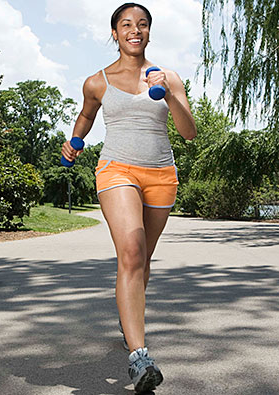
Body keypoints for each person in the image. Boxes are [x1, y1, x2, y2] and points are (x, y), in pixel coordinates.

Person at [61, 3, 197, 393]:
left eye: (142, 25)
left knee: (142, 261)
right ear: (115, 34)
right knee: (132, 253)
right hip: (116, 169)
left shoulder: (168, 77)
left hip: (161, 175)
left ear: (149, 33)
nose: (134, 30)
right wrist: (76, 142)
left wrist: (170, 94)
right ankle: (139, 357)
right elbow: (86, 116)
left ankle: (129, 320)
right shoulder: (97, 81)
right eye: (126, 25)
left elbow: (188, 132)